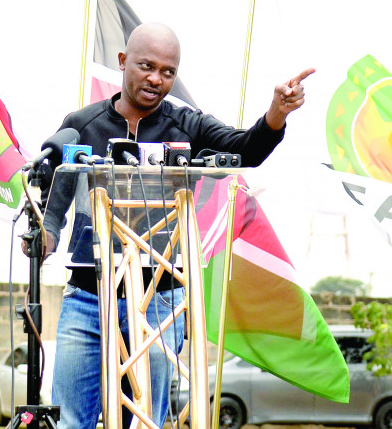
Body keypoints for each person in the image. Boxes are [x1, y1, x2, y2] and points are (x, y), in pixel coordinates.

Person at [39, 22, 315, 428]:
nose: (156, 79)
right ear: (123, 62)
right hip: (88, 296)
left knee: (146, 420)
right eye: (147, 66)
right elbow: (56, 199)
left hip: (160, 299)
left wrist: (276, 114)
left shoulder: (188, 126)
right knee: (71, 421)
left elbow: (246, 149)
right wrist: (45, 235)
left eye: (168, 72)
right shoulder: (82, 124)